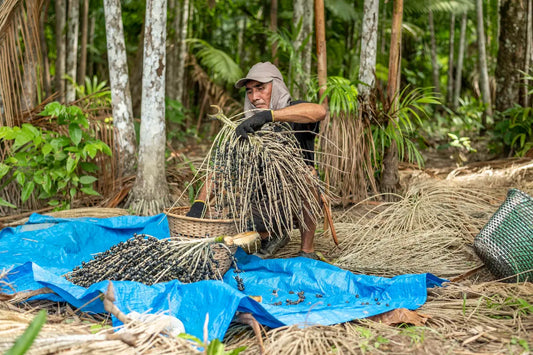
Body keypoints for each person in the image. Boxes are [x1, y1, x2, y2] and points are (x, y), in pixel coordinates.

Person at [187, 62, 326, 259]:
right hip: (264, 203)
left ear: (275, 87)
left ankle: (307, 250)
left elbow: (319, 111)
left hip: (296, 200)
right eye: (250, 91)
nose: (254, 97)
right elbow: (220, 169)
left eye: (261, 88)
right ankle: (271, 234)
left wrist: (269, 116)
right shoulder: (248, 128)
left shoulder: (295, 111)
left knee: (308, 176)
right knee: (217, 212)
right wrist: (199, 204)